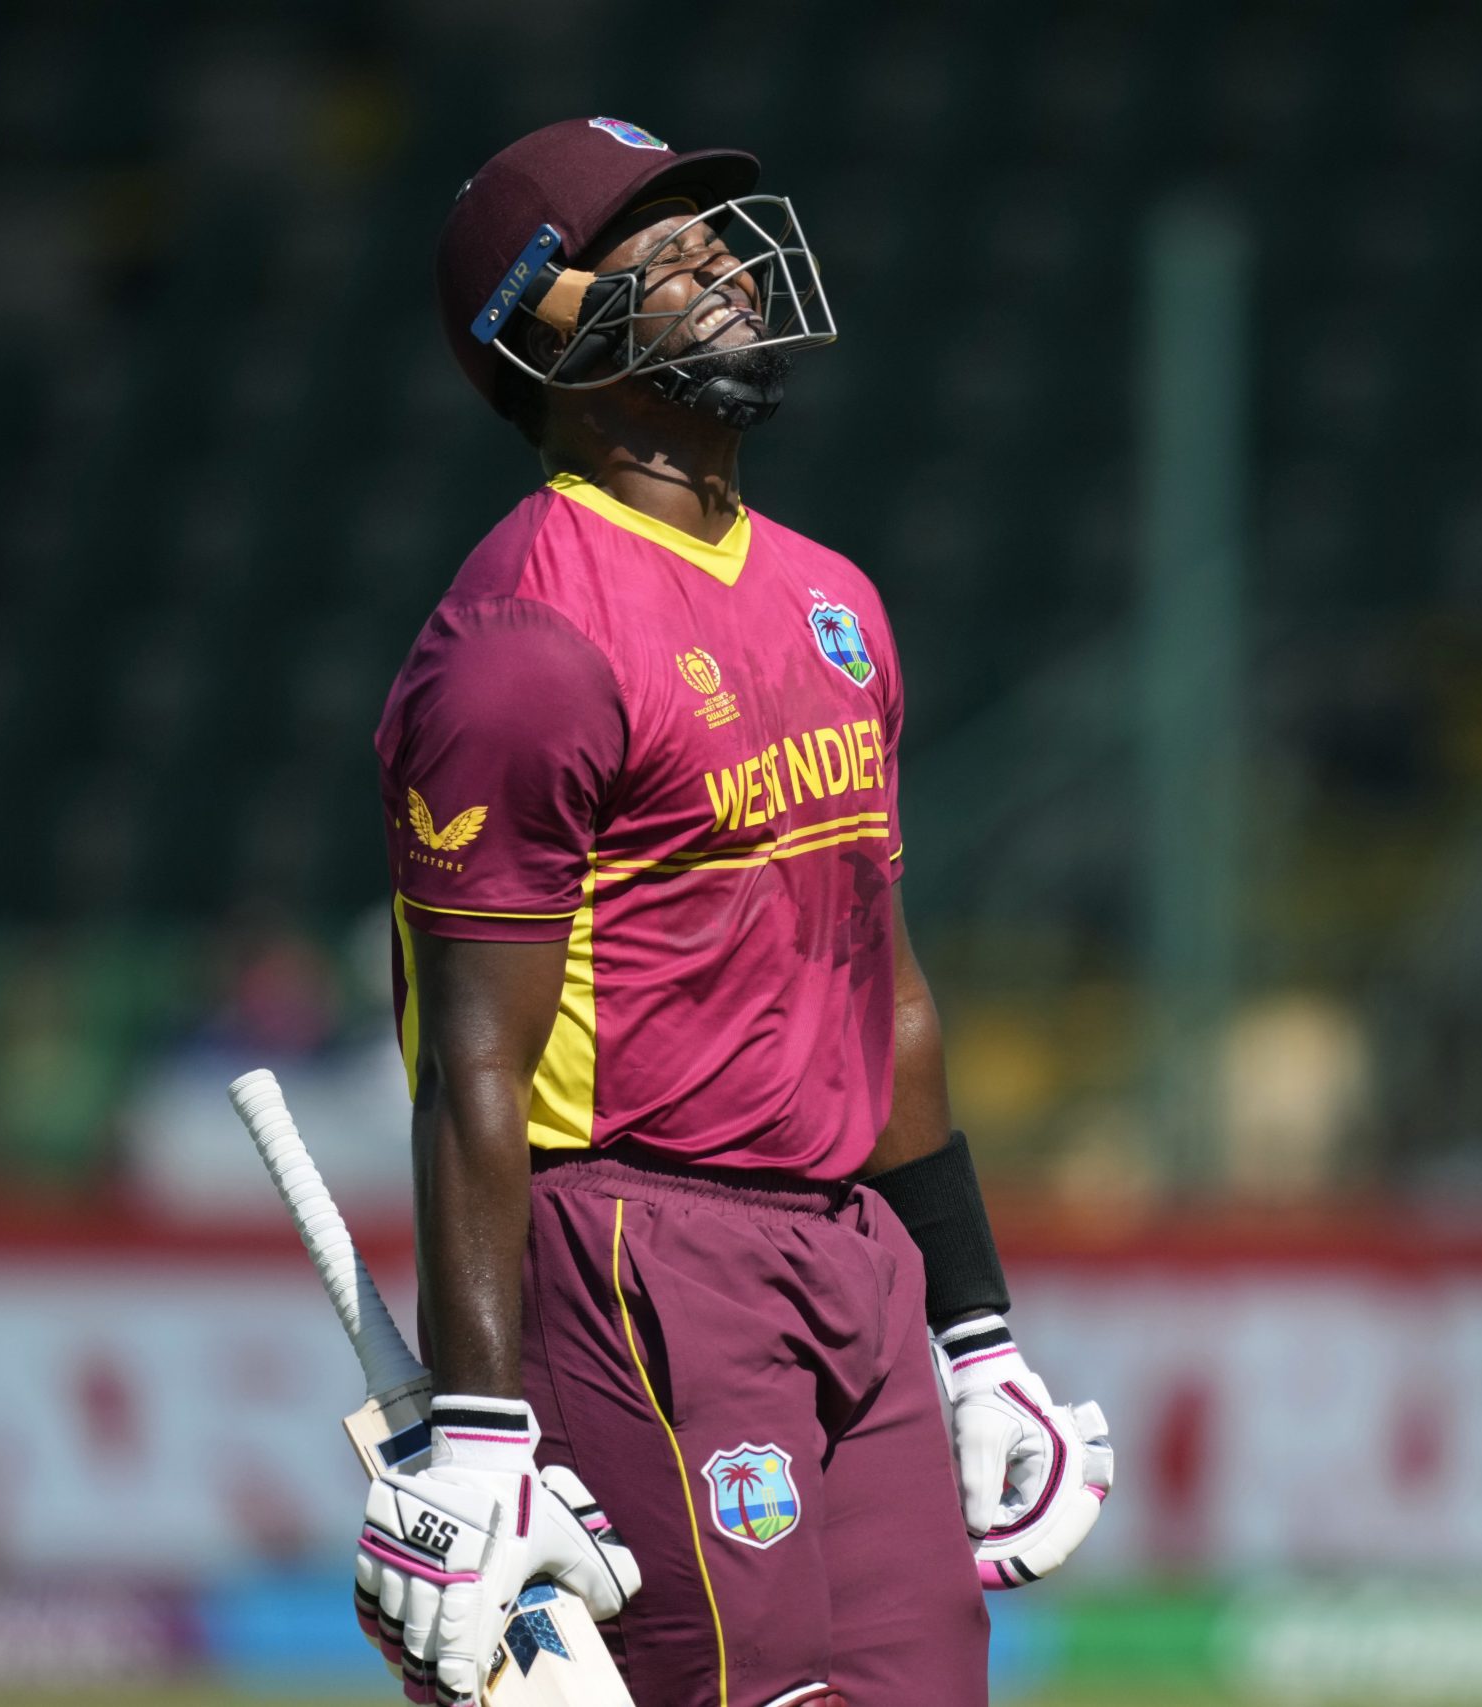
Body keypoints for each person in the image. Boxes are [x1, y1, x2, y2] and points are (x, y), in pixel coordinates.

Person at [356, 118, 1113, 1707]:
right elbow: (472, 1067)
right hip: (633, 1257)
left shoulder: (837, 599)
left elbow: (881, 988)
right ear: (544, 321)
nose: (716, 251)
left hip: (849, 1260)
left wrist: (976, 1330)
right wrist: (483, 1436)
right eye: (657, 231)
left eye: (714, 219)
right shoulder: (525, 640)